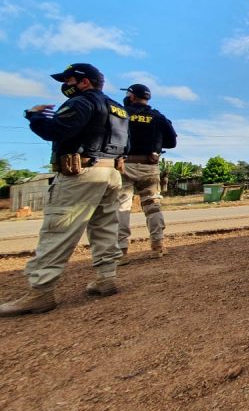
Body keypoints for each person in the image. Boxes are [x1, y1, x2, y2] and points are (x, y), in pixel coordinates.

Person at [0, 63, 129, 317]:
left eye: (69, 80)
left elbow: (55, 130)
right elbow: (127, 144)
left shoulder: (82, 102)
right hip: (111, 173)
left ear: (84, 81)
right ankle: (106, 278)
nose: (66, 85)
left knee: (59, 229)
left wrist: (33, 115)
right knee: (104, 227)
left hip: (81, 174)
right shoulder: (119, 109)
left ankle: (41, 291)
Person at [117, 83, 177, 264]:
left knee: (121, 206)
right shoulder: (158, 117)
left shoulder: (121, 113)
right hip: (149, 165)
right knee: (153, 206)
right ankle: (158, 246)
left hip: (123, 165)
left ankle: (121, 251)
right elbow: (172, 142)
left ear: (132, 96)